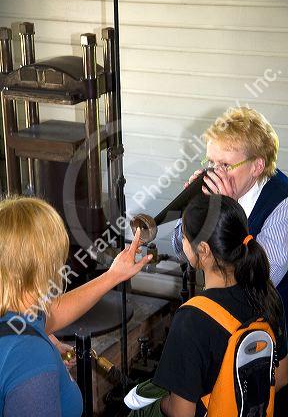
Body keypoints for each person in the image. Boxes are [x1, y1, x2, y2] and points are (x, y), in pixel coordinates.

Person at [0, 196, 152, 417]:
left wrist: (113, 275)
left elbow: (49, 316)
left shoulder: (16, 314)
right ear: (44, 266)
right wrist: (43, 355)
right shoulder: (32, 358)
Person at [152, 194, 288, 417]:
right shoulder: (267, 295)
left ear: (203, 250)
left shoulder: (192, 317)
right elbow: (281, 377)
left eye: (184, 237)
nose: (182, 243)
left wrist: (160, 404)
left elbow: (181, 413)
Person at [172, 107, 288, 321]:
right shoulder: (212, 188)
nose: (215, 173)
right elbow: (181, 251)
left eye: (225, 165)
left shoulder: (282, 204)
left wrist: (226, 210)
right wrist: (193, 209)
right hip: (221, 315)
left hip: (267, 330)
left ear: (257, 166)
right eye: (211, 162)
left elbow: (257, 282)